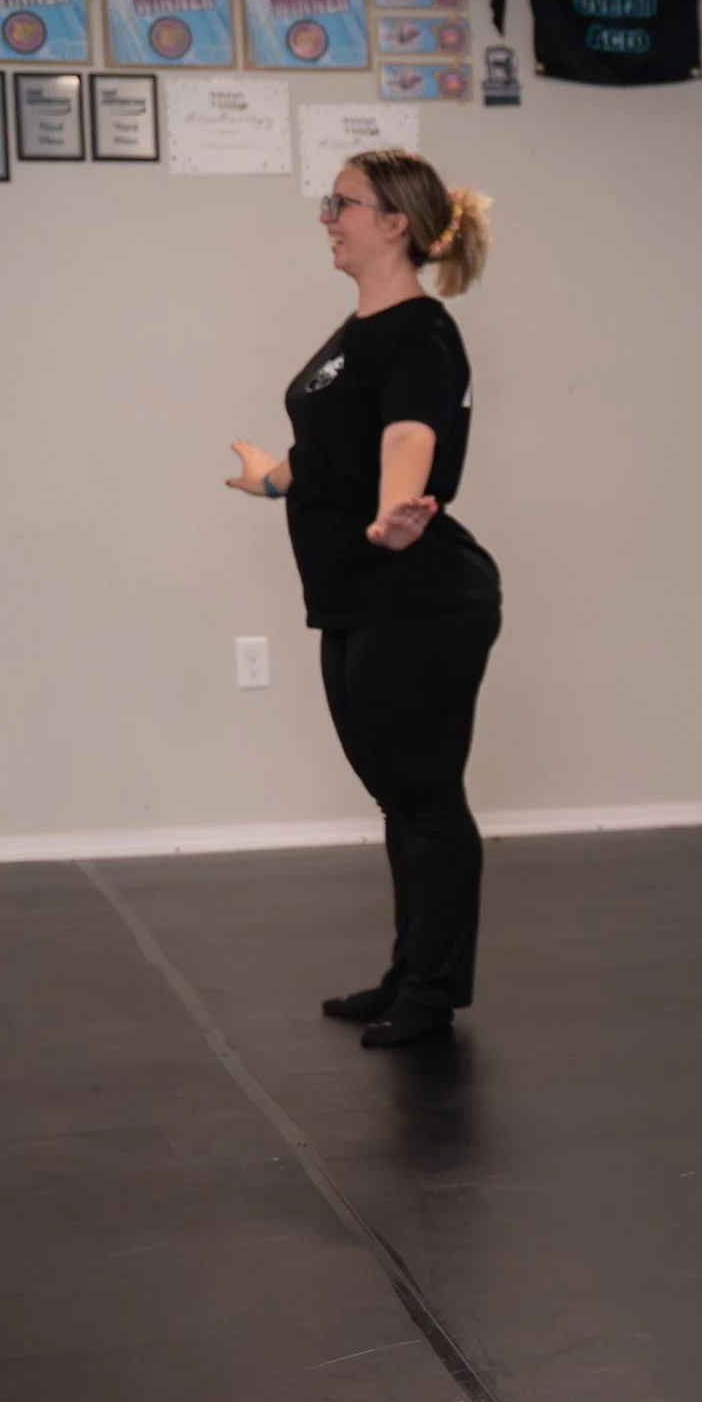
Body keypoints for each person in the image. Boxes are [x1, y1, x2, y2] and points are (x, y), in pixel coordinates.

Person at [227, 147, 500, 1050]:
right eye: (327, 202)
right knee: (400, 798)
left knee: (424, 799)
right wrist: (271, 481)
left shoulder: (420, 332)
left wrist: (396, 510)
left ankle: (431, 994)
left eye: (340, 203)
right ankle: (406, 971)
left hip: (420, 596)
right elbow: (331, 444)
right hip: (356, 597)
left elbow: (409, 436)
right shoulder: (357, 334)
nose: (326, 218)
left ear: (395, 223)